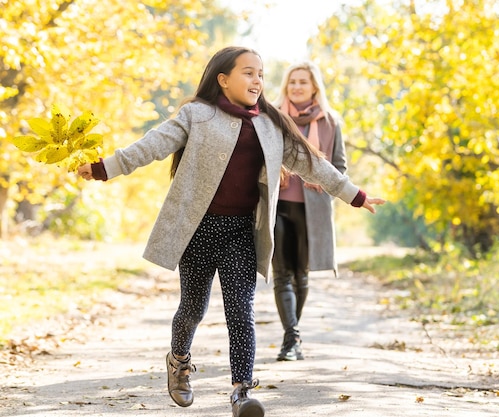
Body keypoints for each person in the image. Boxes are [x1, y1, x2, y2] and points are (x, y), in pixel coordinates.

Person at [77, 46, 385, 417]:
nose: (257, 81)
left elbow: (313, 166)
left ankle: (242, 390)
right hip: (199, 228)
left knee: (242, 310)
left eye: (261, 74)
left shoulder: (271, 125)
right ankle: (178, 360)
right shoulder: (196, 115)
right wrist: (104, 168)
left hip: (241, 231)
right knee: (193, 307)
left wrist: (355, 195)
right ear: (223, 79)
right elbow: (152, 146)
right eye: (248, 73)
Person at [271, 61, 346, 361]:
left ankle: (293, 336)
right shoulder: (272, 117)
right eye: (292, 82)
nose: (297, 87)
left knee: (301, 275)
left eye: (303, 82)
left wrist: (325, 185)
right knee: (281, 274)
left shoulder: (330, 121)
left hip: (311, 210)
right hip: (276, 204)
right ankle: (292, 338)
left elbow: (339, 167)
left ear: (315, 86)